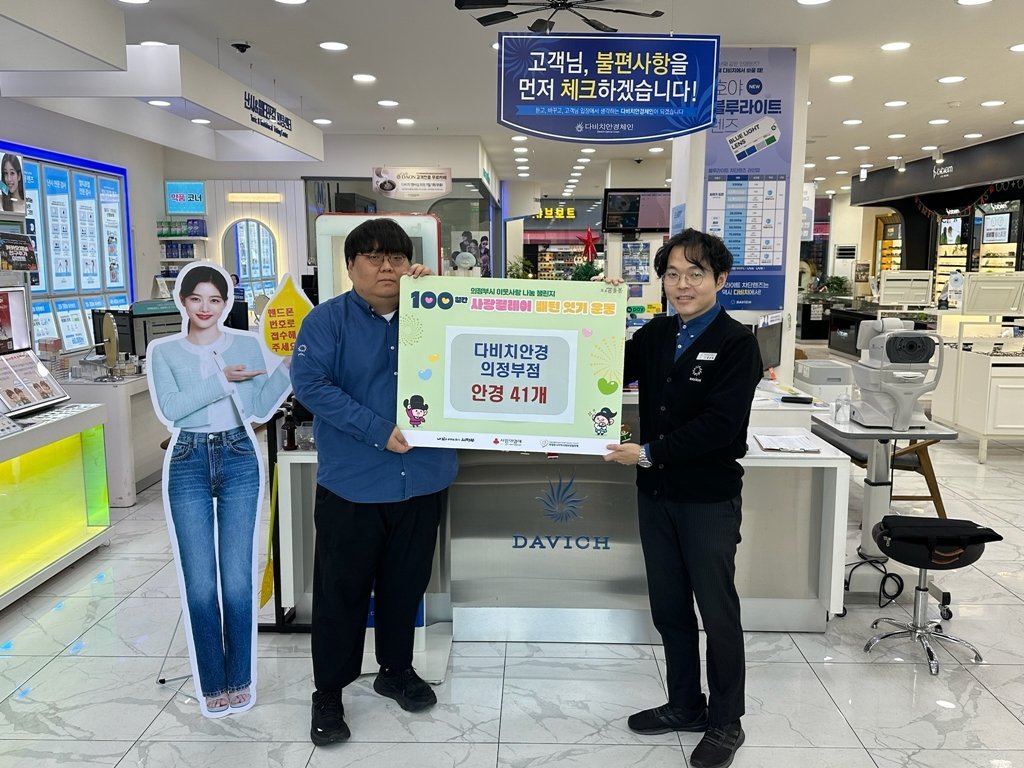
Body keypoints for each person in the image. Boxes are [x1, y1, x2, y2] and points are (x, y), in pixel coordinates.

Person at [290, 218, 458, 746]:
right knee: (341, 594)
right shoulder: (326, 321)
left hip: (423, 480)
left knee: (405, 585)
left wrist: (443, 294)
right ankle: (329, 692)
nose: (387, 267)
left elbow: (482, 348)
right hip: (354, 485)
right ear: (350, 266)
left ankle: (395, 670)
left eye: (397, 257)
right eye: (373, 257)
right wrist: (376, 430)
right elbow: (310, 384)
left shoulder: (434, 312)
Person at [602, 229, 762, 768]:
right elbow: (603, 369)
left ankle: (726, 721)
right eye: (672, 274)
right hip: (657, 495)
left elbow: (721, 426)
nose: (682, 284)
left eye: (696, 273)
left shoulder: (737, 344)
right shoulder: (656, 333)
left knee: (717, 612)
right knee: (669, 608)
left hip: (707, 500)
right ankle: (685, 705)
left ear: (720, 279)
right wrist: (599, 312)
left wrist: (648, 452)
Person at [148, 263, 291, 719]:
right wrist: (222, 379)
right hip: (187, 457)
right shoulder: (164, 352)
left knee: (237, 578)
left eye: (214, 299)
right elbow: (173, 409)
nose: (205, 308)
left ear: (226, 302)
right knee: (200, 581)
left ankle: (240, 680)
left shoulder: (246, 343)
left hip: (238, 454)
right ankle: (213, 681)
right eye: (197, 299)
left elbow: (260, 404)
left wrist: (290, 365)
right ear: (183, 301)